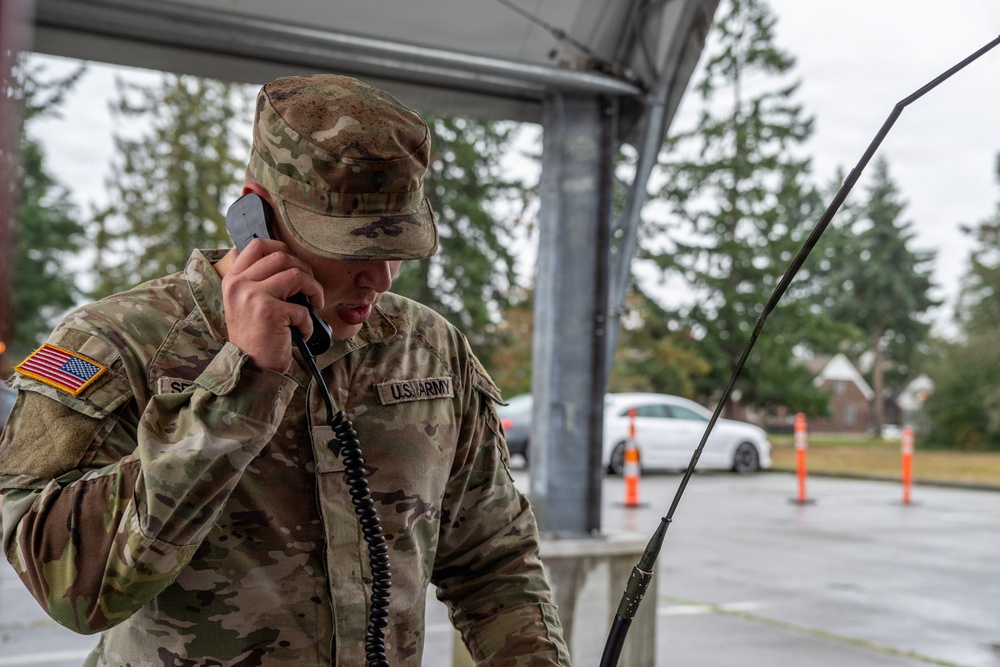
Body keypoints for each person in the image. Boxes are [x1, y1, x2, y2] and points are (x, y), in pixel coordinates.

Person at [0, 74, 572, 666]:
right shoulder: (113, 346)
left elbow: (493, 561)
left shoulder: (427, 348)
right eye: (349, 248)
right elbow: (72, 592)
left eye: (396, 246)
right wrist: (238, 386)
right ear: (259, 217)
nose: (380, 279)